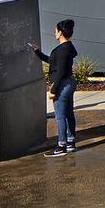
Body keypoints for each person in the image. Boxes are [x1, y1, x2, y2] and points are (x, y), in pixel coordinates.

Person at [36, 18, 79, 155]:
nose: (54, 33)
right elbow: (52, 62)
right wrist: (37, 52)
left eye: (55, 31)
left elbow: (59, 71)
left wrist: (53, 90)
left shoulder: (61, 51)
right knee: (68, 113)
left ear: (60, 33)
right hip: (70, 83)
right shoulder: (68, 48)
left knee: (60, 116)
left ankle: (61, 146)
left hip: (62, 85)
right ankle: (70, 141)